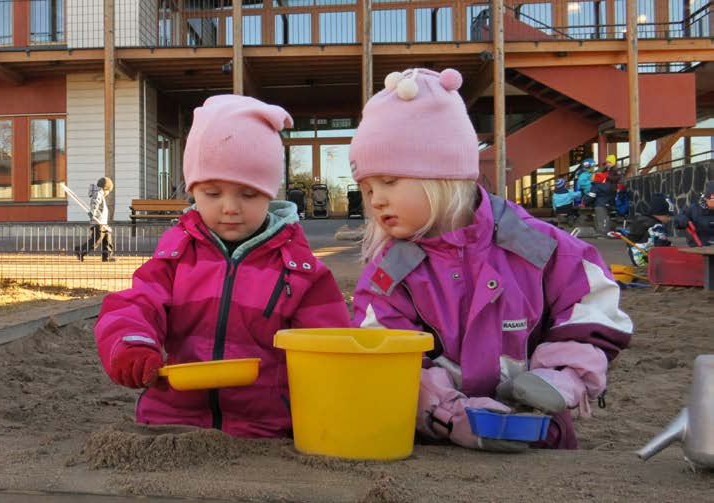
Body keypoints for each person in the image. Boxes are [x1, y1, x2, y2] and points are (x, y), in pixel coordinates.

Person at [348, 68, 632, 452]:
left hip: (539, 434)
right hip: (441, 447)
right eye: (367, 188)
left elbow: (591, 305)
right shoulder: (389, 273)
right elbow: (382, 352)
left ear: (443, 175)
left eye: (390, 181)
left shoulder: (536, 245)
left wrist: (563, 377)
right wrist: (450, 413)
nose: (375, 199)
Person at [94, 95, 350, 438]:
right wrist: (132, 344)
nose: (230, 207)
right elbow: (136, 304)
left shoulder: (299, 270)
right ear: (193, 192)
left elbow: (329, 346)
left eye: (248, 194)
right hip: (172, 419)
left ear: (270, 194)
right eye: (213, 194)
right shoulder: (176, 255)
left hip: (269, 428)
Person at [621, 193, 674, 266]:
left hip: (636, 257)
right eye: (668, 215)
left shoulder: (641, 220)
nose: (669, 219)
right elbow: (661, 246)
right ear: (659, 213)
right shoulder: (656, 226)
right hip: (647, 260)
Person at [75, 177, 115, 262]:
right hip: (98, 222)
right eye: (108, 191)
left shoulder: (99, 193)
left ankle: (107, 256)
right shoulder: (98, 193)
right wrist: (93, 212)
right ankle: (81, 251)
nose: (108, 193)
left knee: (107, 239)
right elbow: (95, 203)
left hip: (103, 222)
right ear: (105, 188)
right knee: (97, 240)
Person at [673, 181, 714, 247]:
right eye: (712, 200)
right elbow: (678, 219)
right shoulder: (694, 209)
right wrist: (681, 219)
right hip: (698, 248)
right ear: (706, 198)